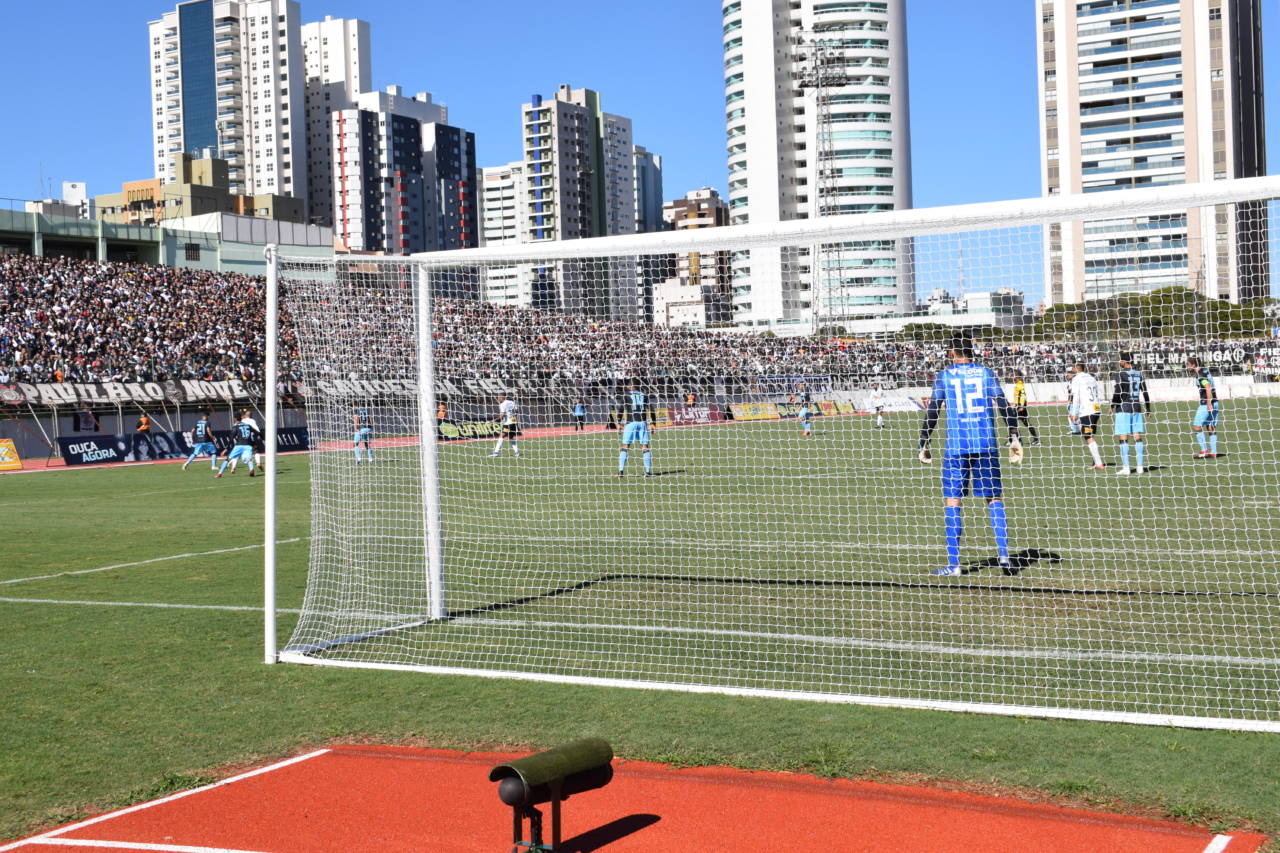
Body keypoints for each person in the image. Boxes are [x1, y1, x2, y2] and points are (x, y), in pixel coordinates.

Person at [918, 337, 1022, 577]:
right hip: (986, 443)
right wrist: (1014, 434)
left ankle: (954, 565)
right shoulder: (986, 373)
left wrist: (924, 439)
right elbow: (1003, 404)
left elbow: (933, 410)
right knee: (994, 498)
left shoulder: (945, 376)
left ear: (952, 352)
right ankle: (1004, 557)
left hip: (957, 446)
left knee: (953, 501)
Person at [1110, 352, 1150, 475]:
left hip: (1124, 407)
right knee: (1137, 435)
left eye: (1120, 360)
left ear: (1124, 361)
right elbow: (1145, 392)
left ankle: (1126, 468)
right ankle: (1140, 467)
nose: (1119, 362)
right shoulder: (1139, 374)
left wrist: (1112, 406)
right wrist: (1148, 408)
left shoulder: (1120, 374)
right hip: (1136, 407)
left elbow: (1118, 391)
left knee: (1123, 436)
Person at [1068, 363, 1105, 470]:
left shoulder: (1076, 379)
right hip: (1096, 410)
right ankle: (1095, 462)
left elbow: (1076, 397)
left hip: (1087, 411)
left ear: (1076, 369)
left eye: (1073, 367)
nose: (1072, 369)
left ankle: (1099, 463)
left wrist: (1074, 412)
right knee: (1090, 434)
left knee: (1087, 436)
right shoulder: (1091, 377)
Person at [617, 382, 653, 477]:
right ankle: (648, 472)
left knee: (625, 446)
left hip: (630, 423)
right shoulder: (644, 395)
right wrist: (653, 423)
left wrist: (619, 422)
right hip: (642, 423)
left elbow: (621, 409)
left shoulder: (626, 395)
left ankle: (620, 471)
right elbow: (651, 409)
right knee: (645, 447)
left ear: (630, 386)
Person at [1188, 357, 1221, 458]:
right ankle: (1214, 452)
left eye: (1188, 364)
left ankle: (1204, 450)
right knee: (1210, 426)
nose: (1187, 366)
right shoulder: (1206, 371)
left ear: (1193, 365)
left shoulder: (1200, 374)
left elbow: (1207, 387)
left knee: (1197, 426)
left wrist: (1208, 403)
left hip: (1206, 403)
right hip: (1215, 402)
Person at [216, 413, 260, 478]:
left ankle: (219, 473)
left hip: (239, 445)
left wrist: (226, 449)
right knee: (248, 459)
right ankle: (251, 469)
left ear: (235, 419)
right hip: (248, 445)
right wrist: (262, 437)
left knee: (228, 459)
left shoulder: (236, 427)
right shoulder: (248, 425)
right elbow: (257, 432)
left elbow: (231, 439)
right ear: (241, 418)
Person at [1011, 371, 1040, 446]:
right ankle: (1036, 439)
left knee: (1012, 422)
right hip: (1017, 406)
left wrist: (1022, 406)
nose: (1012, 377)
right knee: (1023, 423)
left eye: (1013, 375)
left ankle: (1012, 440)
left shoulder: (1020, 384)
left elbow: (1023, 396)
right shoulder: (1018, 384)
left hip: (1020, 406)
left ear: (1018, 376)